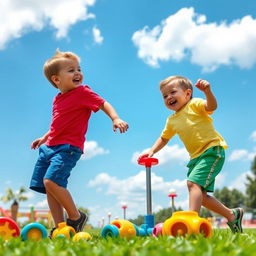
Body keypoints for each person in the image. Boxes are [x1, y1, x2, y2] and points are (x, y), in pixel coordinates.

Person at [30, 49, 129, 236]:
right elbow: (58, 123)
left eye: (78, 69)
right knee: (48, 187)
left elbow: (103, 103)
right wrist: (44, 137)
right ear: (56, 80)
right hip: (50, 146)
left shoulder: (83, 92)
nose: (77, 73)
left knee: (51, 181)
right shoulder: (57, 99)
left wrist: (115, 118)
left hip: (67, 148)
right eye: (70, 70)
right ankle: (61, 228)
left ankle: (76, 217)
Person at [139, 75, 243, 233]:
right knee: (201, 196)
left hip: (212, 150)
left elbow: (211, 106)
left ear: (187, 94)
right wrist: (152, 150)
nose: (169, 97)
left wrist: (207, 91)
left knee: (192, 184)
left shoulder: (195, 104)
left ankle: (192, 222)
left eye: (173, 92)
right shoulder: (171, 120)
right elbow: (164, 138)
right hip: (195, 158)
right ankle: (232, 215)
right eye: (165, 96)